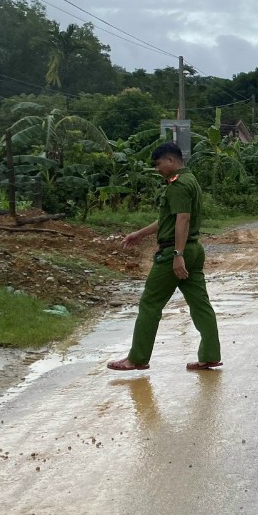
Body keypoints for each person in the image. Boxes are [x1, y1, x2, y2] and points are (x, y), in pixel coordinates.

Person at [108, 142, 221, 373]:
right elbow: (168, 220)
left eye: (158, 164)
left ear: (171, 160)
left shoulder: (178, 185)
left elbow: (183, 220)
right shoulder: (191, 181)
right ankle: (210, 355)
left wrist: (177, 255)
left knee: (150, 304)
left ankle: (137, 358)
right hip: (194, 249)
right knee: (200, 305)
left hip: (174, 252)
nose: (157, 169)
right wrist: (139, 234)